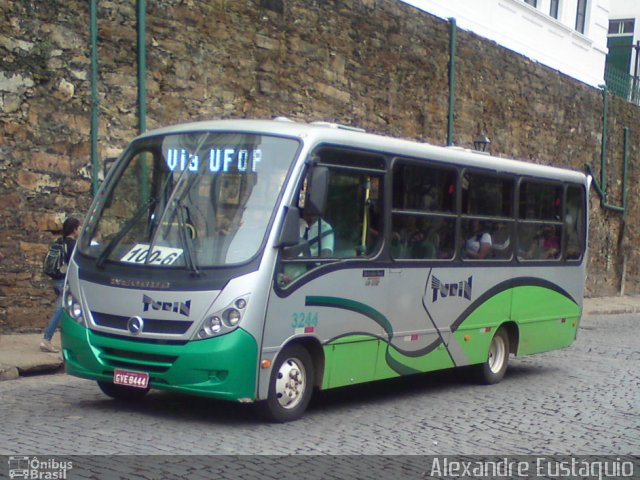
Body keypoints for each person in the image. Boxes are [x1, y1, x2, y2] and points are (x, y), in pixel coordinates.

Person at [40, 217, 81, 353]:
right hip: (65, 282)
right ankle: (46, 339)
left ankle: (71, 342)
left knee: (69, 313)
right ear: (74, 229)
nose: (80, 230)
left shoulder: (59, 242)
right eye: (79, 227)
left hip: (56, 280)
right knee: (60, 310)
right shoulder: (73, 245)